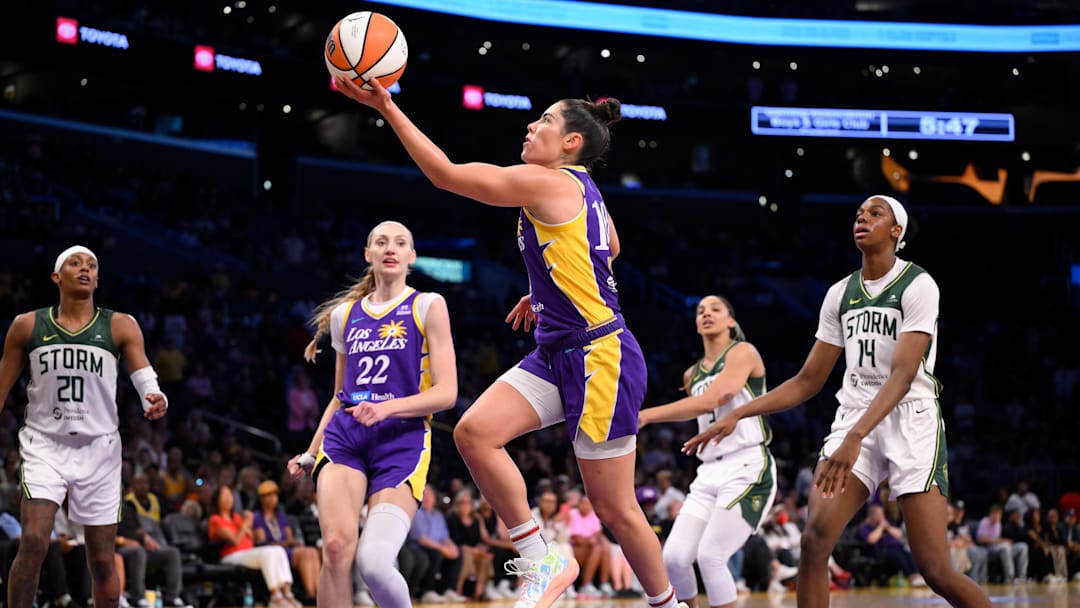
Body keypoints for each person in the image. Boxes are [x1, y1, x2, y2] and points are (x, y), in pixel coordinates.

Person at [334, 66, 683, 608]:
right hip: (556, 348)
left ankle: (670, 605)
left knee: (614, 508)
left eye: (544, 120)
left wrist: (386, 107)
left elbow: (446, 175)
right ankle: (542, 559)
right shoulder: (582, 188)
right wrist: (545, 288)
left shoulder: (545, 180)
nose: (530, 126)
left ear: (570, 142)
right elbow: (608, 246)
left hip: (600, 355)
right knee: (474, 433)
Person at [684, 196, 992, 608]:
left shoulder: (919, 284)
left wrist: (856, 437)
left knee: (935, 570)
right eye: (859, 214)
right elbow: (808, 380)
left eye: (876, 213)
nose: (863, 217)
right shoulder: (839, 294)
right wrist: (740, 411)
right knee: (813, 544)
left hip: (910, 419)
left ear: (896, 231)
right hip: (853, 419)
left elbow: (902, 376)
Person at [287, 220, 458, 608]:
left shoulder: (428, 305)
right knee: (334, 548)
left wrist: (385, 409)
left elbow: (447, 394)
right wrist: (311, 453)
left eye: (400, 243)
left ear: (412, 256)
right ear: (369, 254)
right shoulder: (344, 316)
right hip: (346, 439)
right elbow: (337, 396)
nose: (391, 248)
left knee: (375, 564)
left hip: (402, 441)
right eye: (381, 242)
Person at [0, 246, 169, 608]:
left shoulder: (119, 324)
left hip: (100, 449)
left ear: (97, 278)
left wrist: (152, 394)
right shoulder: (27, 325)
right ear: (56, 277)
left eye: (91, 265)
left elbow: (141, 370)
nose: (85, 269)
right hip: (44, 444)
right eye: (75, 263)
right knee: (33, 542)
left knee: (104, 560)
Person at [637, 294, 775, 608]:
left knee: (711, 556)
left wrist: (646, 415)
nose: (706, 314)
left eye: (715, 309)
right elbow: (695, 409)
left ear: (731, 321)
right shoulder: (691, 375)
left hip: (747, 464)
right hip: (709, 471)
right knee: (673, 558)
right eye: (700, 311)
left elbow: (715, 398)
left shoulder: (743, 352)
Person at [207, 485, 298, 607]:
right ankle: (275, 596)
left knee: (278, 550)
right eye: (224, 496)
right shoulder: (215, 519)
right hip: (231, 555)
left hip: (249, 553)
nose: (228, 498)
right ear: (217, 500)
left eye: (230, 495)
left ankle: (287, 594)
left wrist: (250, 526)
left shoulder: (237, 518)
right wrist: (244, 525)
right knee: (267, 553)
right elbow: (235, 541)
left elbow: (251, 537)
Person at [252, 480, 322, 600]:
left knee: (311, 551)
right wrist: (287, 543)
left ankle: (318, 592)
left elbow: (289, 538)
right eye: (269, 495)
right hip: (273, 552)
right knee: (305, 553)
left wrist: (293, 542)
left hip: (288, 550)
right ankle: (310, 593)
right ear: (262, 498)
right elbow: (262, 542)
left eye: (275, 495)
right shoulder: (258, 517)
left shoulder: (281, 516)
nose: (274, 498)